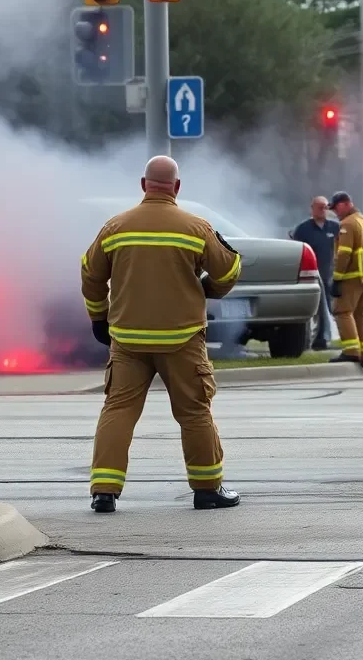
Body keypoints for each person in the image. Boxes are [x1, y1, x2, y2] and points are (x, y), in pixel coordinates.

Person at [81, 155, 243, 514]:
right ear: (178, 188)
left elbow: (90, 274)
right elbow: (229, 268)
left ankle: (104, 491)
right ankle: (207, 489)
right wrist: (209, 288)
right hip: (182, 340)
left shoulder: (114, 228)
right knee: (194, 412)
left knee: (118, 410)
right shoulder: (196, 228)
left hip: (127, 340)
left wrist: (99, 317)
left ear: (143, 185)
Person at [328, 191, 363, 367]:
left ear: (345, 204)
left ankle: (351, 351)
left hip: (351, 276)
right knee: (359, 315)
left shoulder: (347, 224)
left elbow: (344, 254)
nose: (335, 212)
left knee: (342, 312)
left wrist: (337, 278)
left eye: (336, 208)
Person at [289, 196, 338, 350]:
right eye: (319, 207)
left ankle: (323, 338)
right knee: (315, 310)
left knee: (329, 309)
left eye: (325, 207)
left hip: (330, 275)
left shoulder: (335, 227)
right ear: (312, 208)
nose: (322, 210)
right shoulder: (303, 229)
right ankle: (316, 339)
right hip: (311, 275)